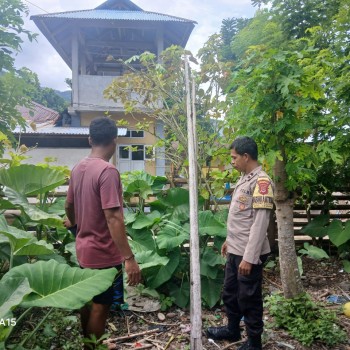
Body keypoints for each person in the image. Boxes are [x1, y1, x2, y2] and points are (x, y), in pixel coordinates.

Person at [64, 117, 141, 348]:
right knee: (101, 304)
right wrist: (129, 258)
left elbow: (68, 206)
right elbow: (114, 217)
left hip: (83, 249)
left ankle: (88, 343)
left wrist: (76, 222)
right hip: (103, 253)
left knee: (87, 299)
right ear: (114, 141)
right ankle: (93, 346)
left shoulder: (78, 168)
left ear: (90, 139)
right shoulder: (108, 171)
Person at [207, 137, 274, 350]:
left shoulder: (262, 182)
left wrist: (249, 258)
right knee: (230, 292)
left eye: (234, 158)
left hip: (249, 253)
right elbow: (240, 216)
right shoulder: (245, 178)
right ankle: (233, 329)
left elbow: (260, 224)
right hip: (236, 249)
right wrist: (229, 240)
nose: (232, 162)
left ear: (246, 156)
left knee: (249, 298)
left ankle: (255, 342)